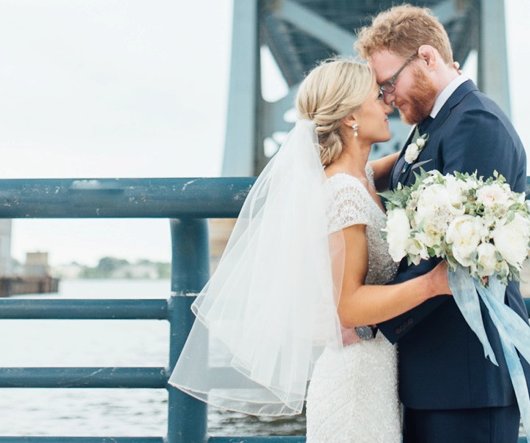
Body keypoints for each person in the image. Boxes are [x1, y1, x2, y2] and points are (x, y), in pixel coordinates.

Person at [169, 58, 452, 443]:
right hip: (355, 385)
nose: (388, 104)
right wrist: (435, 283)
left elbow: (409, 162)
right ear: (351, 116)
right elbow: (347, 307)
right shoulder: (344, 192)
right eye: (377, 97)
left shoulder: (360, 177)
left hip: (372, 374)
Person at [356, 4, 530, 443]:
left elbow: (462, 257)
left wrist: (368, 320)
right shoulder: (433, 123)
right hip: (439, 368)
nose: (387, 98)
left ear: (427, 58)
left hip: (469, 372)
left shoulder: (475, 122)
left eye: (390, 83)